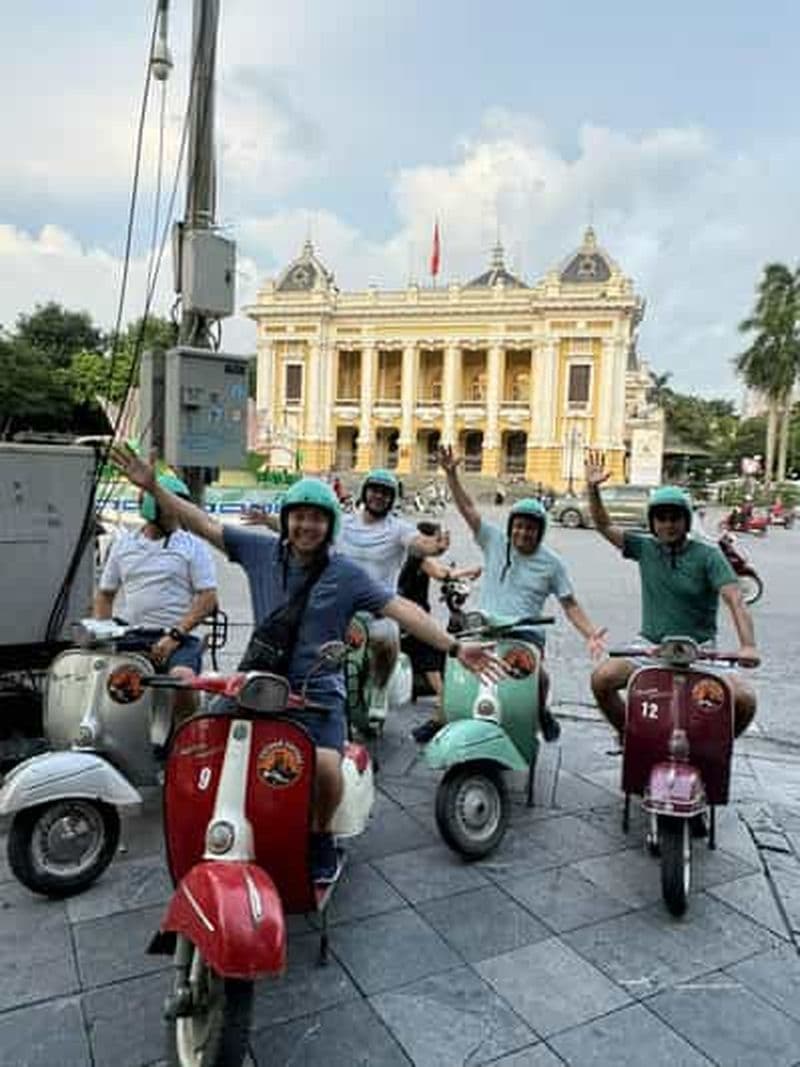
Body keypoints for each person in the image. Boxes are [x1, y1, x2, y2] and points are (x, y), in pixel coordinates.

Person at [109, 445, 503, 883]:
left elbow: (400, 608)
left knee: (326, 768)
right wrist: (153, 488)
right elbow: (202, 523)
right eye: (298, 516)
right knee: (202, 743)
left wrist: (454, 647)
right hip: (257, 680)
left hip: (317, 691)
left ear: (329, 525)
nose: (305, 526)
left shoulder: (346, 574)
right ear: (288, 518)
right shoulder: (259, 550)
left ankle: (318, 836)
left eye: (316, 518)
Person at [585, 451, 759, 740]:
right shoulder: (645, 548)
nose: (668, 524)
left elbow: (735, 599)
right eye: (661, 518)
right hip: (651, 648)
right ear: (652, 522)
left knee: (744, 700)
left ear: (686, 521)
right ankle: (630, 735)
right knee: (602, 679)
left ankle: (716, 748)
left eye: (675, 518)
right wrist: (592, 489)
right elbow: (604, 525)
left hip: (700, 652)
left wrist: (748, 645)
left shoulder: (708, 556)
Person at [439, 445, 607, 741]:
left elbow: (569, 604)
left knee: (538, 678)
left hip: (525, 634)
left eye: (530, 528)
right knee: (456, 667)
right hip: (485, 627)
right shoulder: (494, 540)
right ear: (510, 527)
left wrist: (590, 633)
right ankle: (441, 716)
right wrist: (452, 474)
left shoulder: (551, 564)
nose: (523, 533)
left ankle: (541, 711)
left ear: (540, 531)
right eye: (518, 527)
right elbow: (468, 509)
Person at [94, 473, 218, 719]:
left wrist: (175, 634)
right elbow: (105, 595)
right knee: (102, 681)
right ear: (153, 507)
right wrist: (103, 634)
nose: (177, 512)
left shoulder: (193, 546)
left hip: (177, 637)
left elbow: (208, 597)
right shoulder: (123, 545)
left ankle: (183, 741)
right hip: (131, 634)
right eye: (170, 506)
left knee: (182, 682)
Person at [336, 468, 450, 688]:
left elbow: (418, 543)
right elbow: (309, 529)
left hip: (380, 615)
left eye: (385, 493)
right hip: (341, 615)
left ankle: (380, 696)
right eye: (374, 490)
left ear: (393, 498)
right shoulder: (342, 522)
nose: (379, 496)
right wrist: (271, 521)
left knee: (382, 673)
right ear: (365, 492)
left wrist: (434, 547)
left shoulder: (398, 528)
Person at [397, 520, 482, 743]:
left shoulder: (415, 554)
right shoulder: (416, 557)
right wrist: (469, 570)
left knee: (436, 650)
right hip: (411, 620)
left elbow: (439, 561)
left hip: (412, 615)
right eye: (436, 537)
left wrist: (443, 547)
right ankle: (441, 713)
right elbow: (443, 573)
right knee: (433, 653)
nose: (438, 542)